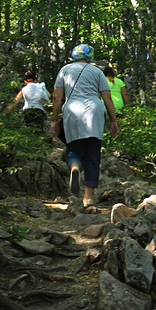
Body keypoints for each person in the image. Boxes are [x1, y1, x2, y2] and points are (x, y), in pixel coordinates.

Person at [52, 44, 119, 208]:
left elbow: (56, 97)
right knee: (93, 155)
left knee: (73, 147)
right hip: (94, 112)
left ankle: (75, 167)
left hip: (72, 111)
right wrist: (113, 120)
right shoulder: (97, 72)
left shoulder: (65, 70)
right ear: (91, 56)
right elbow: (107, 98)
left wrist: (54, 119)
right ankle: (88, 198)